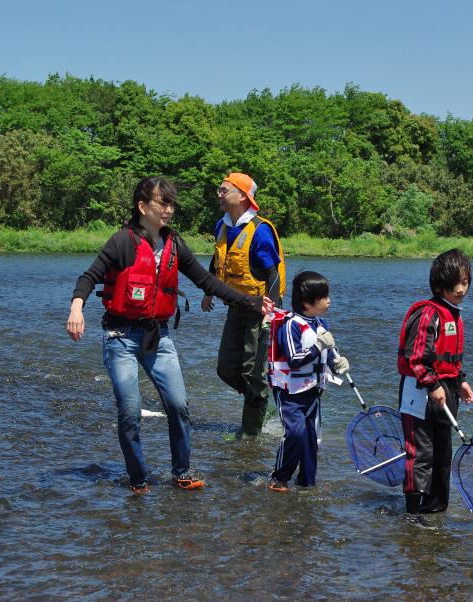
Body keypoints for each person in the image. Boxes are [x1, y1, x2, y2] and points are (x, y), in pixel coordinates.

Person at [67, 177, 273, 493]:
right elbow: (89, 277)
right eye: (162, 203)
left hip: (159, 338)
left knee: (177, 405)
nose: (168, 209)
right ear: (142, 206)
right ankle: (138, 479)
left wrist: (251, 302)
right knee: (130, 412)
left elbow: (208, 282)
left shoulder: (174, 245)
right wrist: (76, 308)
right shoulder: (121, 242)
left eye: (171, 204)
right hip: (120, 338)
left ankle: (182, 472)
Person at [200, 172, 286, 440]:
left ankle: (249, 433)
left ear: (243, 196)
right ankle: (263, 404)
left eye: (224, 190)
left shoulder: (259, 230)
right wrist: (208, 290)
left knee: (252, 371)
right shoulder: (222, 225)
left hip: (258, 312)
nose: (219, 194)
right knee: (226, 369)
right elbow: (218, 260)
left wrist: (271, 313)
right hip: (234, 308)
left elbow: (273, 274)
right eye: (220, 189)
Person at [397, 249, 473, 514]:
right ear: (440, 285)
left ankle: (436, 510)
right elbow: (417, 358)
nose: (461, 289)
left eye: (465, 283)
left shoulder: (453, 313)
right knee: (421, 453)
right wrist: (432, 385)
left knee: (443, 454)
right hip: (419, 393)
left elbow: (448, 358)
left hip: (447, 391)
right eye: (455, 284)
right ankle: (412, 511)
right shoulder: (428, 313)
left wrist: (461, 381)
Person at [264, 271, 348, 491]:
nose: (329, 300)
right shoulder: (291, 325)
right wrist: (318, 346)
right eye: (324, 296)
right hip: (290, 393)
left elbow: (330, 355)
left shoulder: (321, 324)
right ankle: (279, 477)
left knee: (311, 439)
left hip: (314, 392)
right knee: (295, 433)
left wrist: (338, 364)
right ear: (307, 303)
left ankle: (307, 483)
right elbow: (293, 360)